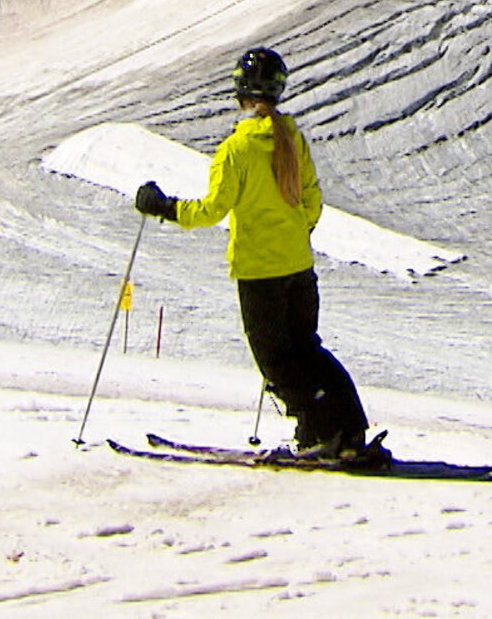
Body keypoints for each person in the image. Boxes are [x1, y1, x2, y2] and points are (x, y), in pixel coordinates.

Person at [135, 47, 378, 463]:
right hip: (299, 269)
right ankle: (344, 428)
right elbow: (313, 201)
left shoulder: (237, 149)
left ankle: (323, 433)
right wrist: (293, 234)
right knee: (307, 350)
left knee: (277, 364)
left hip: (260, 274)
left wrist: (162, 206)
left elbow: (211, 211)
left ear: (239, 92)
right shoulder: (292, 138)